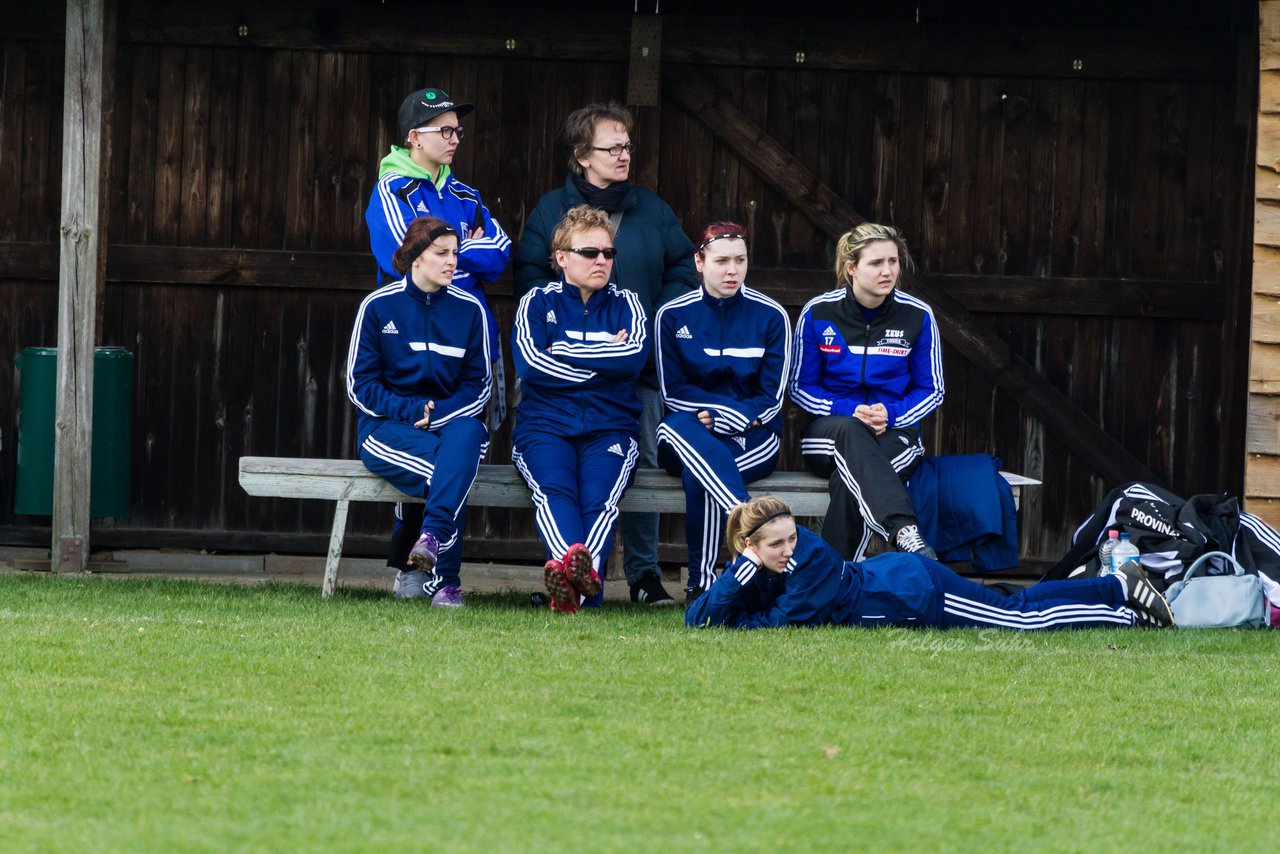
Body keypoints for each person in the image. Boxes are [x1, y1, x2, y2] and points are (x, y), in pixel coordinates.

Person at [515, 102, 698, 606]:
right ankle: (570, 576)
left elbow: (684, 265)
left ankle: (642, 575)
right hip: (559, 389)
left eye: (627, 146)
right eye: (612, 147)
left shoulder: (652, 209)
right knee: (557, 476)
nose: (624, 155)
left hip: (635, 375)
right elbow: (530, 278)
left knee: (625, 474)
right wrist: (583, 339)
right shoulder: (551, 210)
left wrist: (652, 315)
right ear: (581, 155)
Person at [365, 86, 511, 579]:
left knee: (460, 446)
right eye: (444, 130)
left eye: (458, 130)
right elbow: (401, 258)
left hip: (470, 340)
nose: (455, 139)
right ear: (413, 137)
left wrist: (446, 252)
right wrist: (461, 247)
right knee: (424, 449)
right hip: (408, 337)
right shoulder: (392, 191)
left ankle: (438, 575)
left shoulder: (466, 194)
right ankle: (417, 571)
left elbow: (500, 253)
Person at [685, 496, 1175, 630]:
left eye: (792, 537)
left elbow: (783, 622)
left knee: (1018, 617)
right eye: (776, 545)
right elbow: (699, 619)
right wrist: (743, 573)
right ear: (750, 546)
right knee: (1011, 604)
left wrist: (740, 612)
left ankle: (1119, 595)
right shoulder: (754, 564)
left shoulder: (809, 558)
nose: (789, 548)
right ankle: (1111, 586)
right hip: (902, 582)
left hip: (918, 594)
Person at [510, 206, 650, 614]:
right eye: (590, 253)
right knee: (555, 493)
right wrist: (605, 359)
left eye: (608, 254)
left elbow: (633, 358)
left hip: (611, 428)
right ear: (562, 258)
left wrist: (566, 352)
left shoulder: (629, 304)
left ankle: (569, 588)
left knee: (599, 502)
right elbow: (530, 365)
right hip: (544, 426)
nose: (602, 261)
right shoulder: (535, 303)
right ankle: (585, 583)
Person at [346, 216, 492, 606]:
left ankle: (426, 549)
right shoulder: (378, 307)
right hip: (386, 430)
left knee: (470, 434)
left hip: (448, 430)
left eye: (455, 254)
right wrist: (411, 410)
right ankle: (445, 582)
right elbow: (360, 386)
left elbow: (479, 387)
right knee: (448, 474)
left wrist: (438, 414)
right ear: (415, 257)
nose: (451, 262)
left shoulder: (470, 310)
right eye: (441, 253)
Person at [790, 222, 944, 562]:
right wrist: (848, 409)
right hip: (829, 433)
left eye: (893, 261)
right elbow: (800, 387)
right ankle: (905, 531)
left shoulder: (917, 315)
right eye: (876, 263)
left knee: (849, 483)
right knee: (850, 432)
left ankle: (835, 578)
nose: (888, 271)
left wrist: (891, 413)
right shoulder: (819, 312)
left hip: (895, 433)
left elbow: (931, 390)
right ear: (851, 268)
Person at [655, 222, 791, 603]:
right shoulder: (671, 315)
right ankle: (751, 524)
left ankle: (702, 586)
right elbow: (673, 390)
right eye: (721, 261)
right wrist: (707, 415)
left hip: (755, 436)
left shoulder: (771, 315)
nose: (732, 270)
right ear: (699, 262)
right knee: (673, 427)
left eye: (740, 260)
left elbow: (772, 396)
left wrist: (726, 418)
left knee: (699, 472)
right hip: (690, 430)